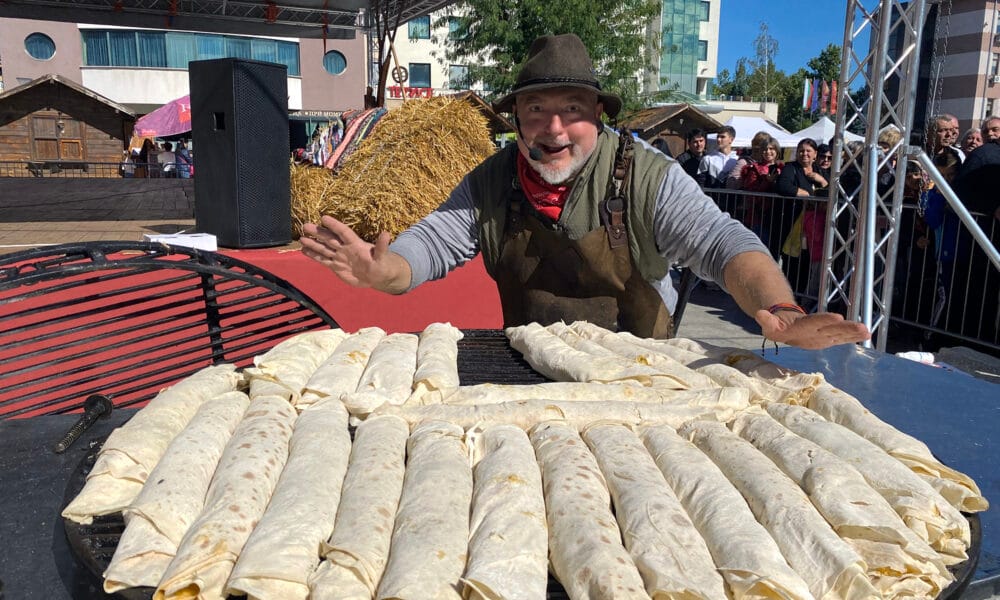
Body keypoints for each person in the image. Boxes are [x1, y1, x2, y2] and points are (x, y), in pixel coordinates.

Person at [301, 33, 869, 349]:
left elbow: (723, 243)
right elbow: (433, 242)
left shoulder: (644, 175)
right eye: (536, 110)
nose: (554, 129)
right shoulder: (494, 180)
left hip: (640, 383)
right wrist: (386, 273)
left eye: (571, 110)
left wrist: (779, 308)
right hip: (529, 375)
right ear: (516, 120)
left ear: (597, 115)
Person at [776, 138, 828, 303]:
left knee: (810, 266)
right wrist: (805, 193)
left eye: (808, 151)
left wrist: (822, 181)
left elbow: (831, 191)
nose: (804, 154)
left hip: (816, 228)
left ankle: (804, 300)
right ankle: (788, 299)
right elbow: (783, 186)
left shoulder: (820, 170)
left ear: (815, 154)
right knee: (793, 265)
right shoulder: (791, 168)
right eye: (801, 150)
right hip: (795, 224)